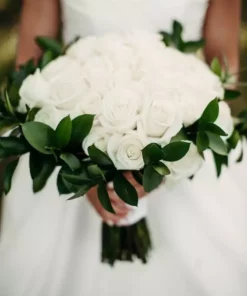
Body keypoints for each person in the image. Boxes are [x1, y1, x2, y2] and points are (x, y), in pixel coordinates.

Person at [0, 0, 246, 295]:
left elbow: (223, 61)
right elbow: (30, 61)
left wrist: (173, 149)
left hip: (185, 157)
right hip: (69, 146)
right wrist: (80, 168)